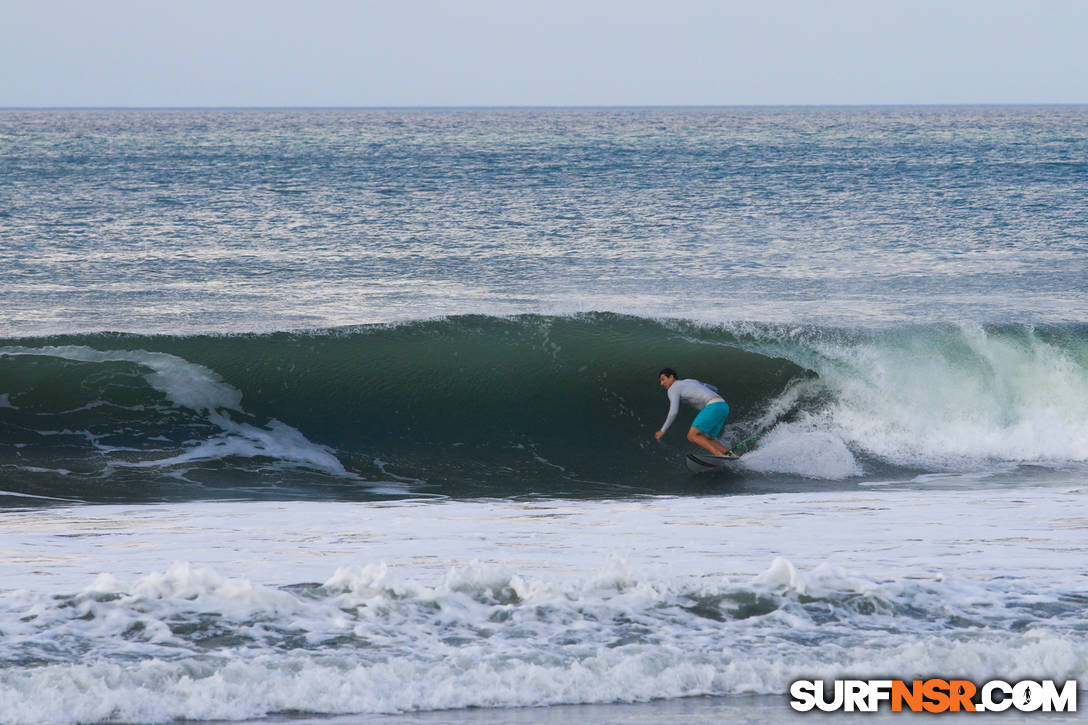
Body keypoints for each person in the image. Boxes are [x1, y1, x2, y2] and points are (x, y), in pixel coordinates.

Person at [654, 368, 737, 457]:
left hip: (712, 406)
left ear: (671, 377)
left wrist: (662, 430)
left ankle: (719, 454)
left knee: (692, 436)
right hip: (723, 405)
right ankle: (731, 455)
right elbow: (714, 389)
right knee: (707, 437)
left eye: (663, 379)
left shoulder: (672, 388)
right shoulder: (690, 381)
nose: (661, 383)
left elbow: (673, 412)